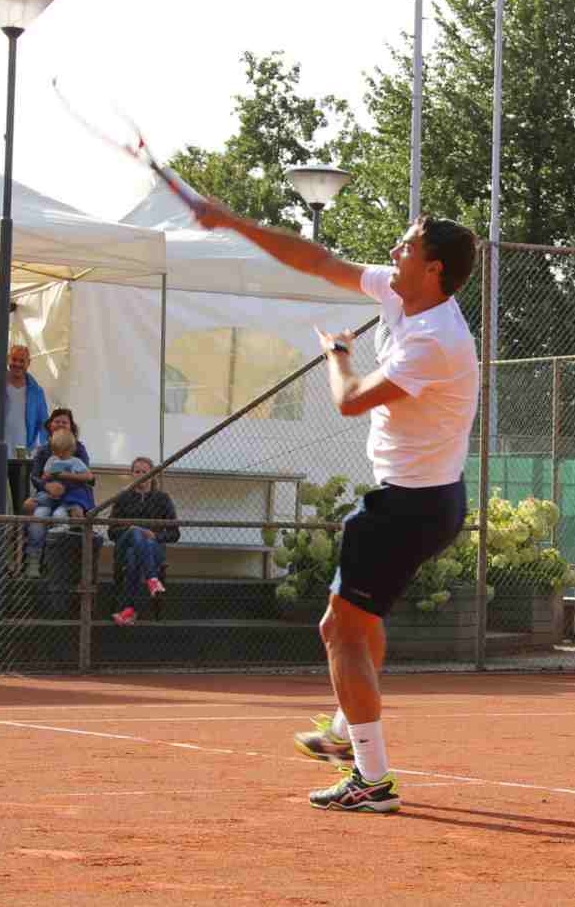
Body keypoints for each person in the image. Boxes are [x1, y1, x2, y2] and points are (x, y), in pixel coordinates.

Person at [193, 195, 477, 813]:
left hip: (409, 508)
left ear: (433, 269)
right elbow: (319, 261)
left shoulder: (436, 340)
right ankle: (348, 734)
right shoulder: (402, 296)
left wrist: (337, 355)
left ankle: (371, 778)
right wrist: (233, 221)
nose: (394, 251)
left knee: (339, 630)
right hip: (426, 501)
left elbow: (350, 400)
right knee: (358, 622)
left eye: (407, 246)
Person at [0, 341, 52, 506]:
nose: (17, 364)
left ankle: (19, 523)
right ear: (8, 359)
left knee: (20, 498)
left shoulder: (36, 390)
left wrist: (38, 449)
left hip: (22, 456)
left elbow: (44, 423)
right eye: (14, 359)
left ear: (28, 363)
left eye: (22, 361)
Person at [107, 457, 179, 624]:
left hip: (152, 548)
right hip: (124, 545)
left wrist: (155, 536)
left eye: (145, 472)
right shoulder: (123, 497)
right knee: (135, 532)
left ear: (152, 475)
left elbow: (174, 534)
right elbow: (111, 532)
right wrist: (132, 530)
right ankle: (152, 579)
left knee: (133, 556)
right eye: (137, 471)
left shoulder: (162, 498)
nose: (141, 475)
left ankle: (128, 611)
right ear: (132, 474)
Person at [23, 428, 92, 578]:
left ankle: (57, 556)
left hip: (68, 498)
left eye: (64, 453)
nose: (60, 456)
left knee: (59, 515)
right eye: (57, 453)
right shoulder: (51, 460)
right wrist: (48, 477)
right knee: (39, 516)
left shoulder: (76, 461)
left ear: (71, 450)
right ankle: (33, 560)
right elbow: (42, 476)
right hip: (50, 496)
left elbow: (89, 477)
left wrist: (65, 474)